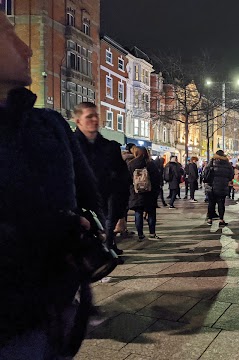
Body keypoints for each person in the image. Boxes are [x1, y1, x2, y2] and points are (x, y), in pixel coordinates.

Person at [0, 11, 103, 357]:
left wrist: (88, 227)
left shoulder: (49, 124)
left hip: (56, 314)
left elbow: (89, 195)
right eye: (8, 35)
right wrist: (49, 227)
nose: (26, 49)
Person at [74, 102, 130, 258]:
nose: (94, 120)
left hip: (106, 204)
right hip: (80, 208)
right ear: (78, 121)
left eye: (96, 115)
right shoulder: (69, 146)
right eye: (89, 116)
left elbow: (122, 179)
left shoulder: (110, 147)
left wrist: (121, 212)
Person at [128, 146, 161, 240]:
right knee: (151, 213)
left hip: (136, 193)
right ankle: (152, 233)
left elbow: (127, 179)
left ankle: (140, 234)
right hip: (149, 193)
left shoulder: (131, 164)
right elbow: (156, 179)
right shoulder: (150, 163)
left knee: (138, 213)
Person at [205, 150, 234, 226]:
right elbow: (231, 175)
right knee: (221, 203)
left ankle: (210, 219)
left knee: (211, 203)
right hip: (222, 186)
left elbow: (205, 172)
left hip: (212, 186)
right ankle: (221, 219)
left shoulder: (212, 161)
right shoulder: (227, 163)